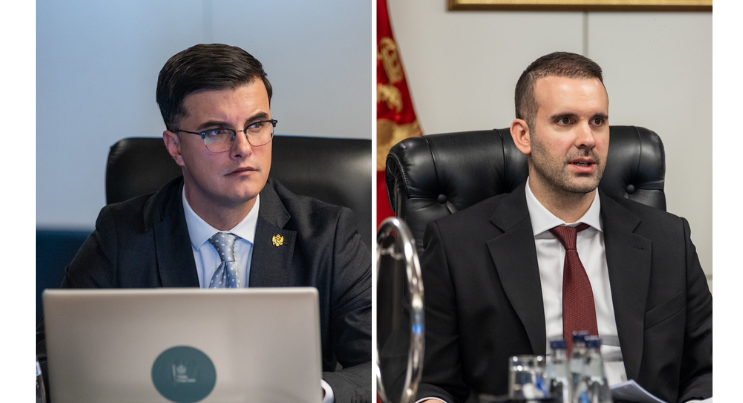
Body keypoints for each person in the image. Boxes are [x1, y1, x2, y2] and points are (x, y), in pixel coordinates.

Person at [36, 43, 371, 403]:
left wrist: (313, 393)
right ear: (175, 147)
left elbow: (381, 364)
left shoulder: (328, 235)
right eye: (216, 131)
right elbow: (52, 358)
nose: (243, 148)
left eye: (257, 125)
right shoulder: (122, 234)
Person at [382, 52, 711, 403]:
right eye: (566, 121)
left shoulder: (669, 240)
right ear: (523, 135)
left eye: (598, 121)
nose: (587, 138)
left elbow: (710, 368)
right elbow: (426, 380)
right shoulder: (457, 245)